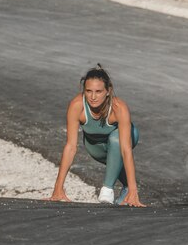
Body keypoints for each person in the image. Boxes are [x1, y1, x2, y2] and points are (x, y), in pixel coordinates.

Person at [48, 64, 145, 207]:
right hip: (94, 146)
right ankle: (125, 191)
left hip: (124, 138)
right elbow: (70, 147)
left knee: (115, 139)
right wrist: (58, 188)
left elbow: (125, 150)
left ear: (108, 91)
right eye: (88, 91)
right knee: (114, 162)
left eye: (98, 91)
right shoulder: (77, 105)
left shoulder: (119, 107)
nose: (93, 97)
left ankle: (107, 190)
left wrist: (134, 190)